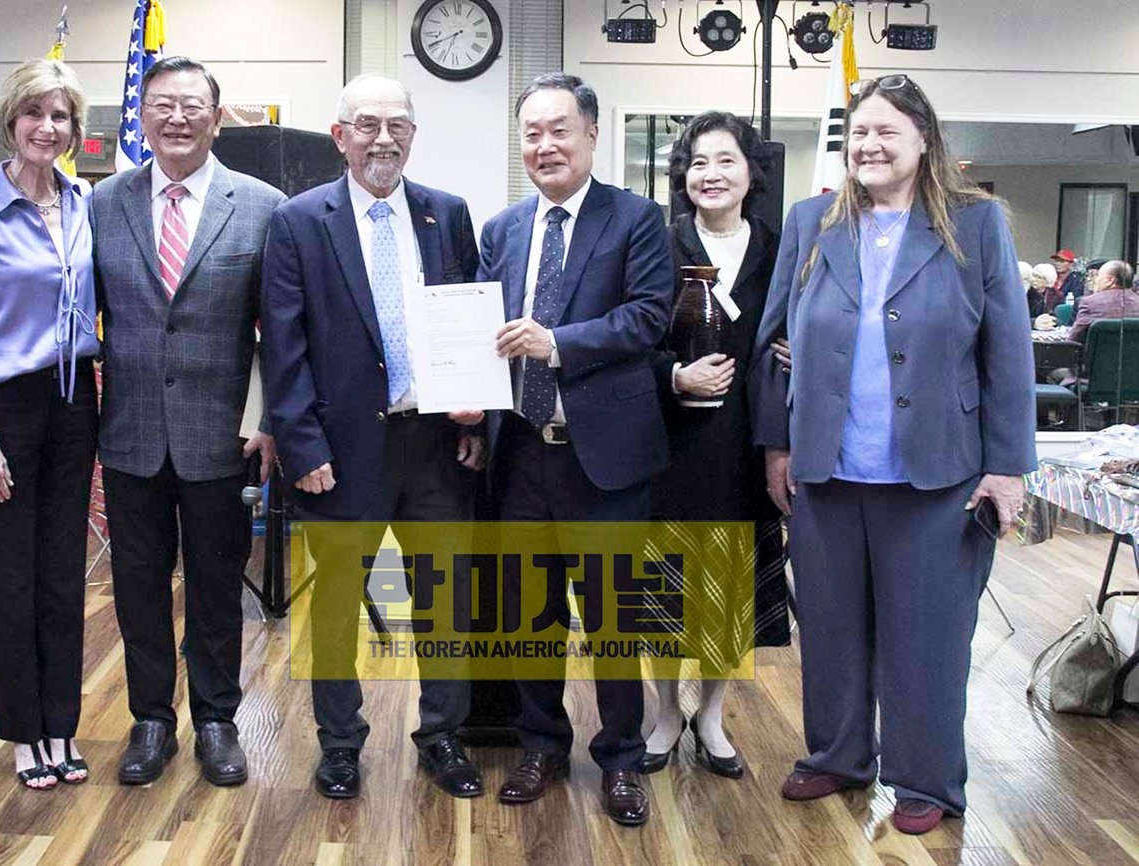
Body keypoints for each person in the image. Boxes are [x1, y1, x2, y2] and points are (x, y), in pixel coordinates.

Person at [750, 73, 1035, 835]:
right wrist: (777, 445)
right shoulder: (812, 221)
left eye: (886, 131)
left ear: (923, 140)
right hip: (826, 469)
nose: (869, 146)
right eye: (859, 133)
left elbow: (1008, 350)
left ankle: (926, 780)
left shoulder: (974, 223)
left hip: (938, 473)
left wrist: (1007, 465)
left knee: (927, 637)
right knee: (831, 631)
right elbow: (772, 344)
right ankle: (838, 755)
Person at [262, 74, 485, 801]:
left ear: (413, 135)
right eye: (367, 125)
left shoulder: (448, 214)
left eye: (397, 125)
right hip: (338, 453)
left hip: (435, 448)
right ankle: (339, 744)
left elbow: (468, 322)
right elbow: (284, 348)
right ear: (340, 137)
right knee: (333, 608)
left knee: (445, 605)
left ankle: (443, 735)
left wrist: (476, 413)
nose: (383, 139)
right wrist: (302, 447)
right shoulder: (298, 221)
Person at [477, 73, 674, 827]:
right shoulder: (502, 230)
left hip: (605, 460)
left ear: (591, 133)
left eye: (559, 129)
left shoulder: (637, 219)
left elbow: (649, 317)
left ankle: (621, 758)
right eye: (531, 133)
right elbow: (480, 330)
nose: (545, 145)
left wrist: (556, 342)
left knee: (613, 621)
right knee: (529, 616)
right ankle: (541, 746)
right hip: (520, 454)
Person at [93, 56, 283, 788]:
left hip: (223, 433)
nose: (177, 118)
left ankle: (215, 720)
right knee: (137, 586)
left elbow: (279, 329)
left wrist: (266, 418)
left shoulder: (262, 205)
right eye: (163, 104)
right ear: (142, 116)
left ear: (217, 117)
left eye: (192, 105)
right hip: (130, 431)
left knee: (216, 585)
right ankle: (150, 719)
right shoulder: (102, 203)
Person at [0, 59, 100, 790]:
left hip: (74, 399)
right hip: (3, 406)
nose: (47, 127)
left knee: (64, 574)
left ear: (75, 128)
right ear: (11, 120)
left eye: (60, 115)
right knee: (12, 576)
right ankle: (23, 731)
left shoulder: (84, 200)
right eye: (34, 112)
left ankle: (61, 722)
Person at [637, 112, 790, 779]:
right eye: (698, 162)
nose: (711, 174)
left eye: (726, 160)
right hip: (668, 443)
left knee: (730, 590)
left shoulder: (779, 251)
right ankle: (667, 712)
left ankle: (713, 714)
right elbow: (630, 338)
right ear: (683, 175)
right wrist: (674, 374)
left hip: (745, 446)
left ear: (751, 171)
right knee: (665, 590)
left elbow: (803, 328)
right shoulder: (658, 244)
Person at [1068, 260, 1139, 344]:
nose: (1095, 280)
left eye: (1098, 275)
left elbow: (1074, 339)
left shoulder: (1089, 302)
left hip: (1095, 352)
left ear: (1110, 280)